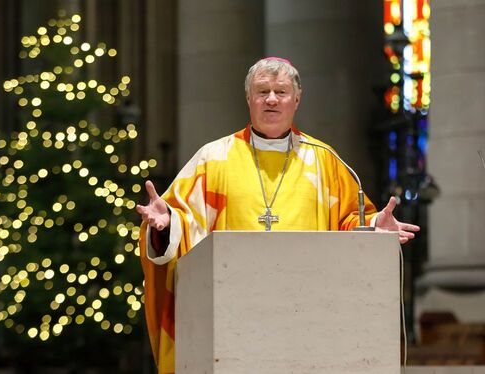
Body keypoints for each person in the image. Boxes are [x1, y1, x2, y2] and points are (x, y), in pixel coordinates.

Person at [136, 57, 420, 373]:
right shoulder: (213, 159)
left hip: (309, 316)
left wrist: (372, 229)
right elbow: (186, 227)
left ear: (296, 100)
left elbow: (349, 223)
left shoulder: (324, 160)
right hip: (233, 318)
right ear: (248, 99)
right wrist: (167, 226)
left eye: (281, 92)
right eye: (262, 91)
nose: (271, 99)